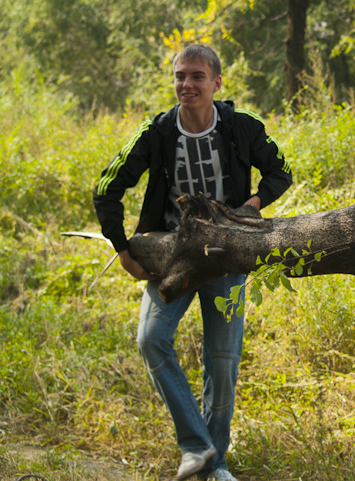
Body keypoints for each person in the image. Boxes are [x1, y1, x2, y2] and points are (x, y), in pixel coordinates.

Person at [93, 44, 292, 481]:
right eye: (181, 76)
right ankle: (196, 446)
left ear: (217, 83)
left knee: (222, 365)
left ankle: (213, 465)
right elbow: (106, 188)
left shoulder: (242, 127)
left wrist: (248, 207)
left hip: (228, 258)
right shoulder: (157, 133)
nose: (187, 85)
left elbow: (281, 171)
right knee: (151, 338)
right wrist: (122, 251)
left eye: (198, 76)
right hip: (173, 259)